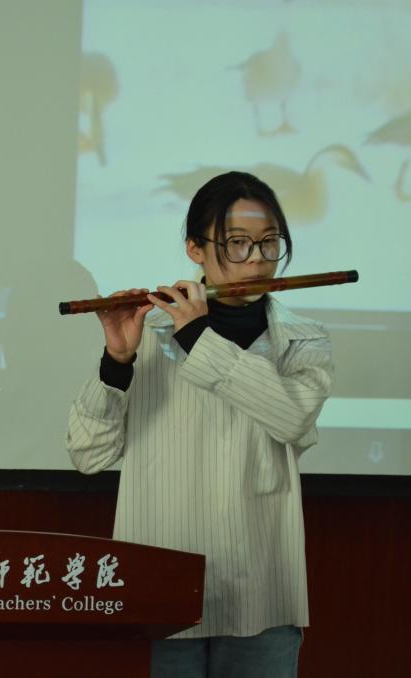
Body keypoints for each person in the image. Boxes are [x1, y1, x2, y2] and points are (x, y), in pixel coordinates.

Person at [66, 171, 334, 678]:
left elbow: (293, 416)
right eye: (237, 243)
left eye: (269, 242)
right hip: (158, 590)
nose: (256, 259)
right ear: (195, 249)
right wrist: (116, 362)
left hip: (261, 590)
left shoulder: (304, 341)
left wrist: (198, 338)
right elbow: (88, 454)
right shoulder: (149, 334)